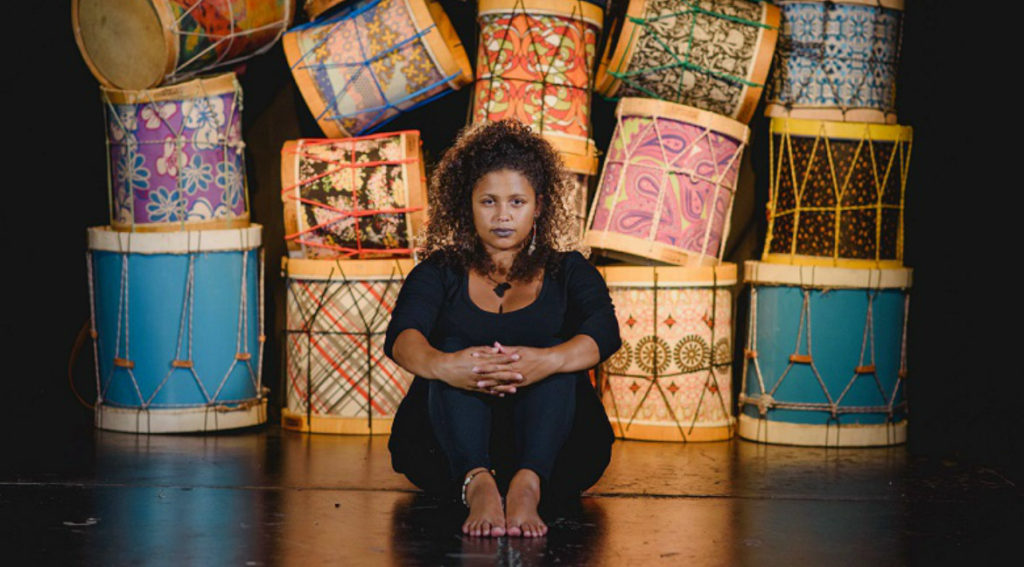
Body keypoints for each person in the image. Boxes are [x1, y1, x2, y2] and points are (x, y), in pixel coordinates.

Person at [383, 120, 621, 538]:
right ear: (467, 205)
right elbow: (402, 336)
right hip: (447, 444)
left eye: (517, 202)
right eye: (488, 202)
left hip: (556, 443)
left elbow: (604, 332)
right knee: (456, 345)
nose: (502, 216)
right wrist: (446, 365)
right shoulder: (440, 270)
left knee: (553, 350)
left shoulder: (569, 270)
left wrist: (545, 360)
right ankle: (479, 486)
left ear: (539, 205)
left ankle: (527, 487)